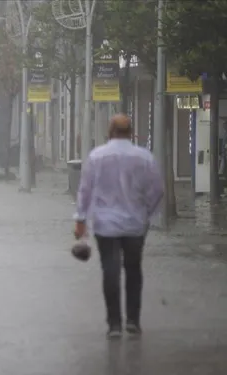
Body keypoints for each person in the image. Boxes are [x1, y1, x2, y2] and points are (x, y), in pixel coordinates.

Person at [74, 114, 164, 339]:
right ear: (131, 132)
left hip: (105, 225)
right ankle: (133, 321)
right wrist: (147, 213)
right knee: (134, 271)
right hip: (135, 224)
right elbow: (157, 190)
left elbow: (85, 190)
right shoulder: (144, 157)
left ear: (110, 132)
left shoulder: (97, 157)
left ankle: (114, 324)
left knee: (110, 272)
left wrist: (80, 219)